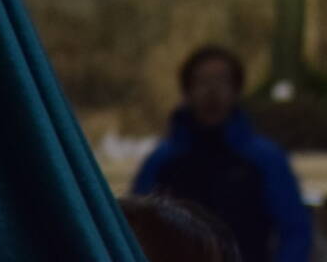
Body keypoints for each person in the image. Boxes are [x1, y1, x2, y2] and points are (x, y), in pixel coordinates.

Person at [132, 46, 312, 262]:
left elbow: (295, 230)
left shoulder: (265, 159)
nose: (212, 91)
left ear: (236, 90)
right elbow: (135, 229)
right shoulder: (161, 161)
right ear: (187, 91)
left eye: (222, 81)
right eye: (203, 82)